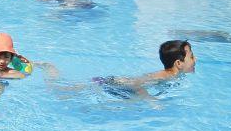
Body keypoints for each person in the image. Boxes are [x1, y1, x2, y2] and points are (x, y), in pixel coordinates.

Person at [47, 40, 196, 100]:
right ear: (178, 63)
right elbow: (137, 84)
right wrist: (151, 101)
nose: (195, 60)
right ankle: (50, 71)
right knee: (64, 92)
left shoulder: (173, 76)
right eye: (191, 56)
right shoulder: (165, 76)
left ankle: (52, 78)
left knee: (70, 93)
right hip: (111, 83)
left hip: (116, 84)